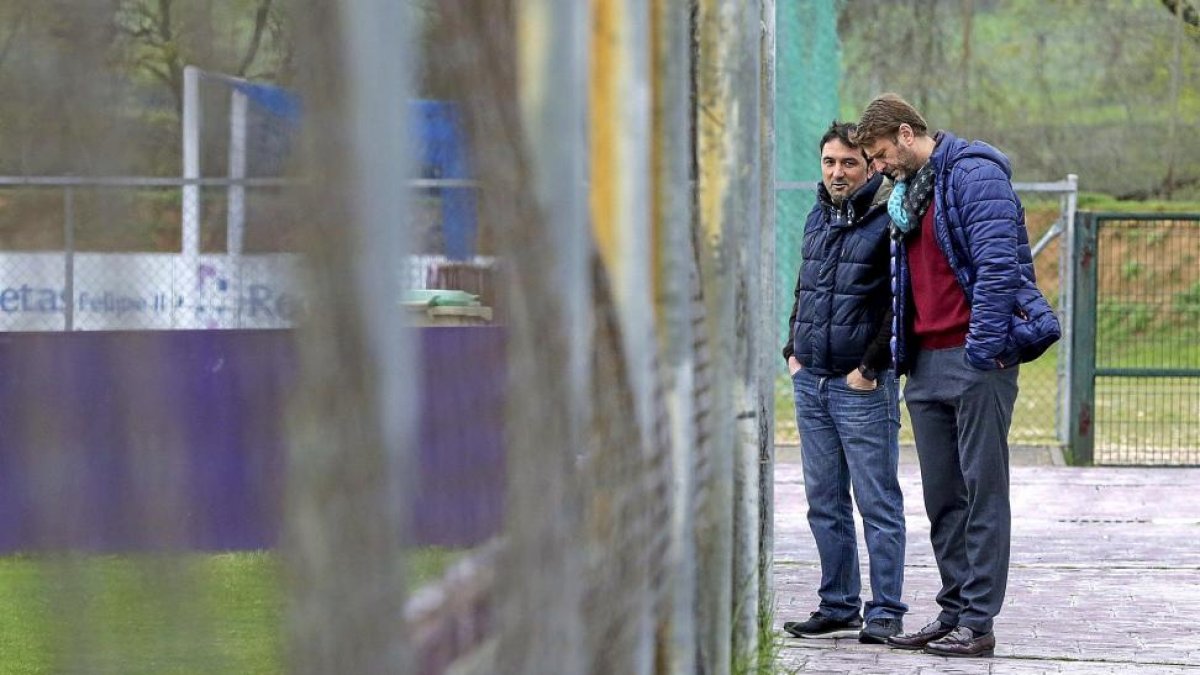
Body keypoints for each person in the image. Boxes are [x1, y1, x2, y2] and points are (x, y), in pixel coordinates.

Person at [851, 93, 1060, 658]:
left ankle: (980, 621)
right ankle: (953, 611)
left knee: (982, 492)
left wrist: (983, 350)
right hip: (924, 363)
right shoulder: (907, 197)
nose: (877, 168)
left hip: (975, 360)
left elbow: (998, 265)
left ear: (904, 132)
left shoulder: (973, 174)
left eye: (877, 155)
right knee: (943, 496)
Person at [781, 121, 907, 645]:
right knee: (824, 501)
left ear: (869, 166)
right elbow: (805, 285)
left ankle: (885, 611)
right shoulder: (816, 214)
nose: (837, 172)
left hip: (862, 387)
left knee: (876, 501)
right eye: (830, 162)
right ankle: (837, 604)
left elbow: (900, 302)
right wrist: (793, 351)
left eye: (849, 163)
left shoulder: (889, 220)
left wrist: (869, 368)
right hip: (811, 382)